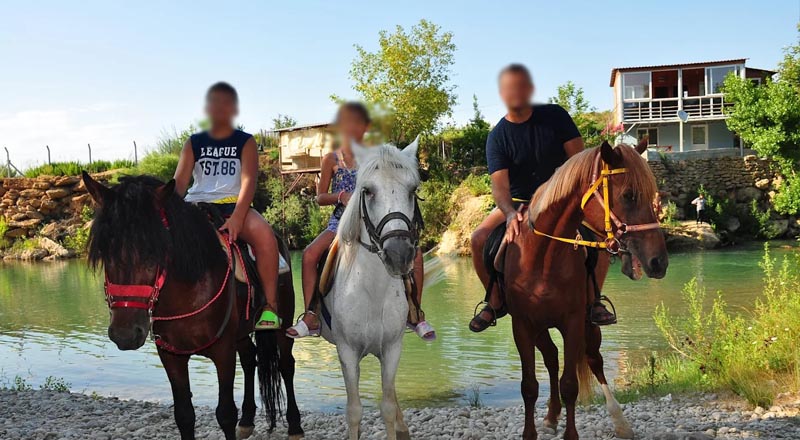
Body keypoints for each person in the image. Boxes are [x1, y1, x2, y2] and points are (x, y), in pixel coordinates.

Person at [468, 64, 616, 332]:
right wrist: (511, 214)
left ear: (530, 89)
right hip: (520, 202)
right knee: (478, 239)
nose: (516, 92)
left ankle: (595, 300)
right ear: (502, 93)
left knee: (600, 239)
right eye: (510, 88)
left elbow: (579, 162)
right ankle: (494, 301)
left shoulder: (555, 116)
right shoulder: (497, 137)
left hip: (563, 201)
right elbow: (500, 188)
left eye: (522, 86)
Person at [286, 102, 435, 341]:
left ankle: (415, 312)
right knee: (310, 254)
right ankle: (311, 314)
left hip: (372, 222)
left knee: (415, 254)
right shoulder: (330, 159)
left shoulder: (375, 157)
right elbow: (320, 197)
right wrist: (340, 196)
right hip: (340, 222)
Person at [174, 82, 281, 330]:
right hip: (196, 206)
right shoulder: (193, 143)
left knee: (266, 238)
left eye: (226, 104)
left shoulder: (245, 141)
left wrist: (238, 218)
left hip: (233, 205)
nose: (219, 109)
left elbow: (249, 181)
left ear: (234, 109)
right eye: (214, 103)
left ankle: (270, 307)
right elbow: (179, 183)